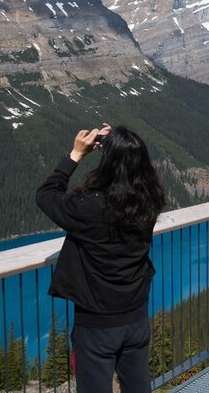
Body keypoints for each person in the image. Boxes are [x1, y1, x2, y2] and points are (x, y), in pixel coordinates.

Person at [37, 124, 166, 392]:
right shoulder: (150, 199)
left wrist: (75, 154)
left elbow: (46, 196)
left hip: (97, 325)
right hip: (136, 317)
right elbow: (127, 171)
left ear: (108, 164)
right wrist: (114, 142)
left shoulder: (91, 207)